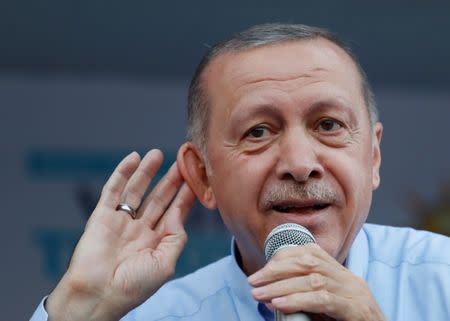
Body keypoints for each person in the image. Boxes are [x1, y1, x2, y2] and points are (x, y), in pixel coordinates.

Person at [30, 23, 450, 321]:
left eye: (328, 125)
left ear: (373, 156)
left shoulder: (441, 280)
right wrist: (75, 311)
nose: (300, 165)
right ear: (203, 176)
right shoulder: (160, 316)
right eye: (259, 131)